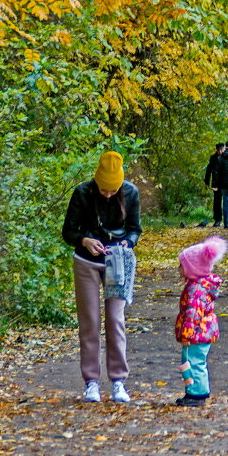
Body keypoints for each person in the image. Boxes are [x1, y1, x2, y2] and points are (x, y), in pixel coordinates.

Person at [62, 151, 142, 404]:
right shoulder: (82, 193)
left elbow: (135, 230)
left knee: (115, 320)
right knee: (90, 322)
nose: (107, 194)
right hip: (86, 261)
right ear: (96, 182)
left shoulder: (130, 192)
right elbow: (68, 232)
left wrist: (127, 244)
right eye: (103, 190)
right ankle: (91, 382)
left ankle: (118, 381)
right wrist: (84, 240)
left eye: (112, 190)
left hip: (117, 261)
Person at [175, 235, 228, 407]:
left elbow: (193, 315)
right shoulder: (201, 285)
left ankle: (197, 394)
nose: (179, 269)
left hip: (196, 335)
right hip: (202, 333)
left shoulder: (196, 289)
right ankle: (193, 391)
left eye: (182, 266)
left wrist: (186, 334)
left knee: (193, 363)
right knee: (193, 362)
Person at [204, 142, 225, 227]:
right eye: (219, 150)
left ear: (224, 149)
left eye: (221, 149)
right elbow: (209, 170)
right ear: (217, 150)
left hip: (226, 182)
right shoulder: (213, 158)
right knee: (217, 202)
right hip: (216, 183)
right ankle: (217, 219)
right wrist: (207, 182)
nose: (220, 151)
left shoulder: (227, 157)